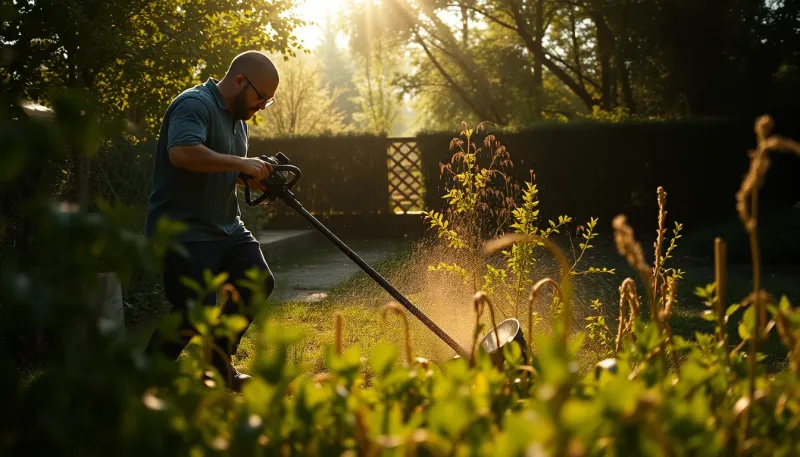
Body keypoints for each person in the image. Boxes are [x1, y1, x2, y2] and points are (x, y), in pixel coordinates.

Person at [143, 51, 279, 391]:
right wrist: (241, 163)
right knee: (193, 311)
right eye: (261, 97)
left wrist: (247, 178)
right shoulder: (194, 104)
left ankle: (217, 363)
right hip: (183, 229)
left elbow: (220, 165)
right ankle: (142, 380)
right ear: (239, 81)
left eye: (268, 100)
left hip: (227, 226)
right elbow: (183, 153)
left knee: (257, 281)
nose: (262, 106)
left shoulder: (239, 119)